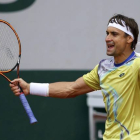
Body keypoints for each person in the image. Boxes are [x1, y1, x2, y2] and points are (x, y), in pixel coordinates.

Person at [10, 14, 140, 140]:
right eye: (107, 33)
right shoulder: (103, 69)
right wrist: (29, 88)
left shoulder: (137, 64)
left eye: (114, 34)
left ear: (129, 39)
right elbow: (71, 89)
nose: (107, 38)